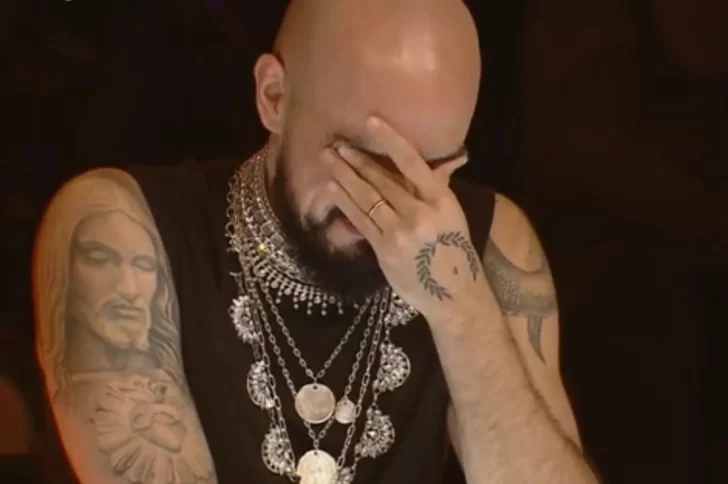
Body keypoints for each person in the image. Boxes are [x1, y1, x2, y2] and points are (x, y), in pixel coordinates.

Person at [33, 0, 599, 483]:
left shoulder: (487, 241)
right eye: (364, 161)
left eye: (433, 170)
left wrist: (463, 313)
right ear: (274, 97)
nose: (394, 206)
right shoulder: (117, 226)